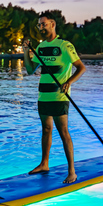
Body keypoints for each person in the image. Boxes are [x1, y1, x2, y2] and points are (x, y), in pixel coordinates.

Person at [22, 12, 86, 184]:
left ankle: (72, 171)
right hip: (43, 95)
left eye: (43, 24)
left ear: (52, 24)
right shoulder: (41, 47)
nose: (41, 28)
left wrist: (69, 82)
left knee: (63, 132)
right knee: (46, 129)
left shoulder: (65, 46)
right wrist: (26, 51)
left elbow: (81, 68)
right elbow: (29, 69)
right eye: (39, 25)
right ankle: (44, 164)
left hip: (59, 96)